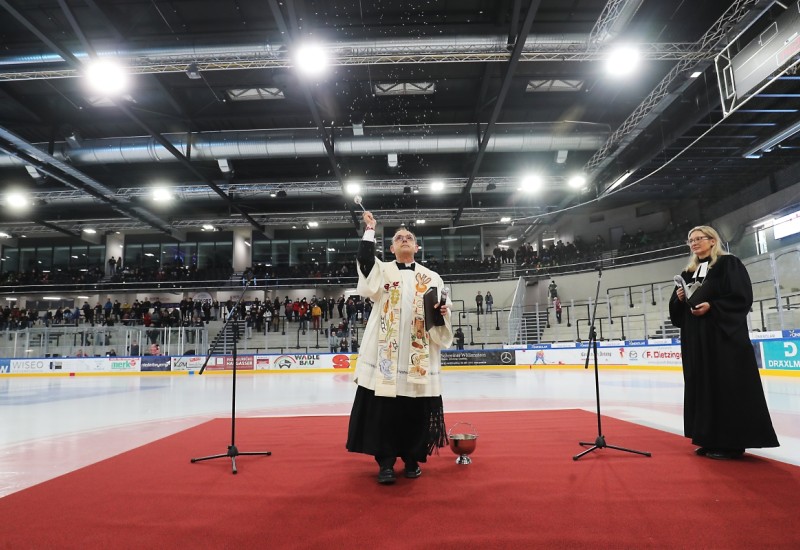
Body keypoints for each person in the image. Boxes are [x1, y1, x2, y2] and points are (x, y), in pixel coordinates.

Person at [346, 210, 453, 485]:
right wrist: (369, 230)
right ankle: (385, 463)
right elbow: (366, 265)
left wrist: (442, 310)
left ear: (416, 247)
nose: (404, 239)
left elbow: (441, 312)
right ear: (391, 248)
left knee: (415, 412)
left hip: (418, 355)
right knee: (384, 412)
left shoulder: (432, 277)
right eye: (398, 238)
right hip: (386, 354)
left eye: (409, 237)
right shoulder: (383, 270)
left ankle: (412, 459)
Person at [669, 225, 779, 460]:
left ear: (712, 241)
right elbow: (678, 313)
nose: (694, 243)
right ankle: (709, 438)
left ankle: (732, 443)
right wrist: (679, 300)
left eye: (699, 238)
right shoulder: (689, 271)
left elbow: (741, 297)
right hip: (698, 341)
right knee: (703, 387)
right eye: (691, 240)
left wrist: (713, 306)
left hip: (723, 340)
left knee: (726, 387)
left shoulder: (728, 264)